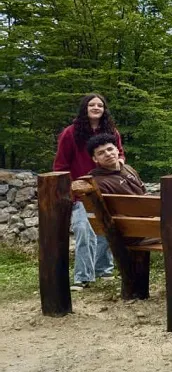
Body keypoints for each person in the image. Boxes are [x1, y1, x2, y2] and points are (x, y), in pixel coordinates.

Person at [53, 93, 124, 289]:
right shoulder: (70, 133)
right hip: (80, 191)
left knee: (106, 229)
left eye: (100, 105)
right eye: (91, 104)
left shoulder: (112, 131)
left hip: (106, 188)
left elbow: (121, 154)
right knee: (84, 229)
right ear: (84, 108)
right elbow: (60, 165)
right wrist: (70, 189)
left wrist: (119, 164)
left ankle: (103, 269)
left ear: (104, 109)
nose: (96, 108)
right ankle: (83, 277)